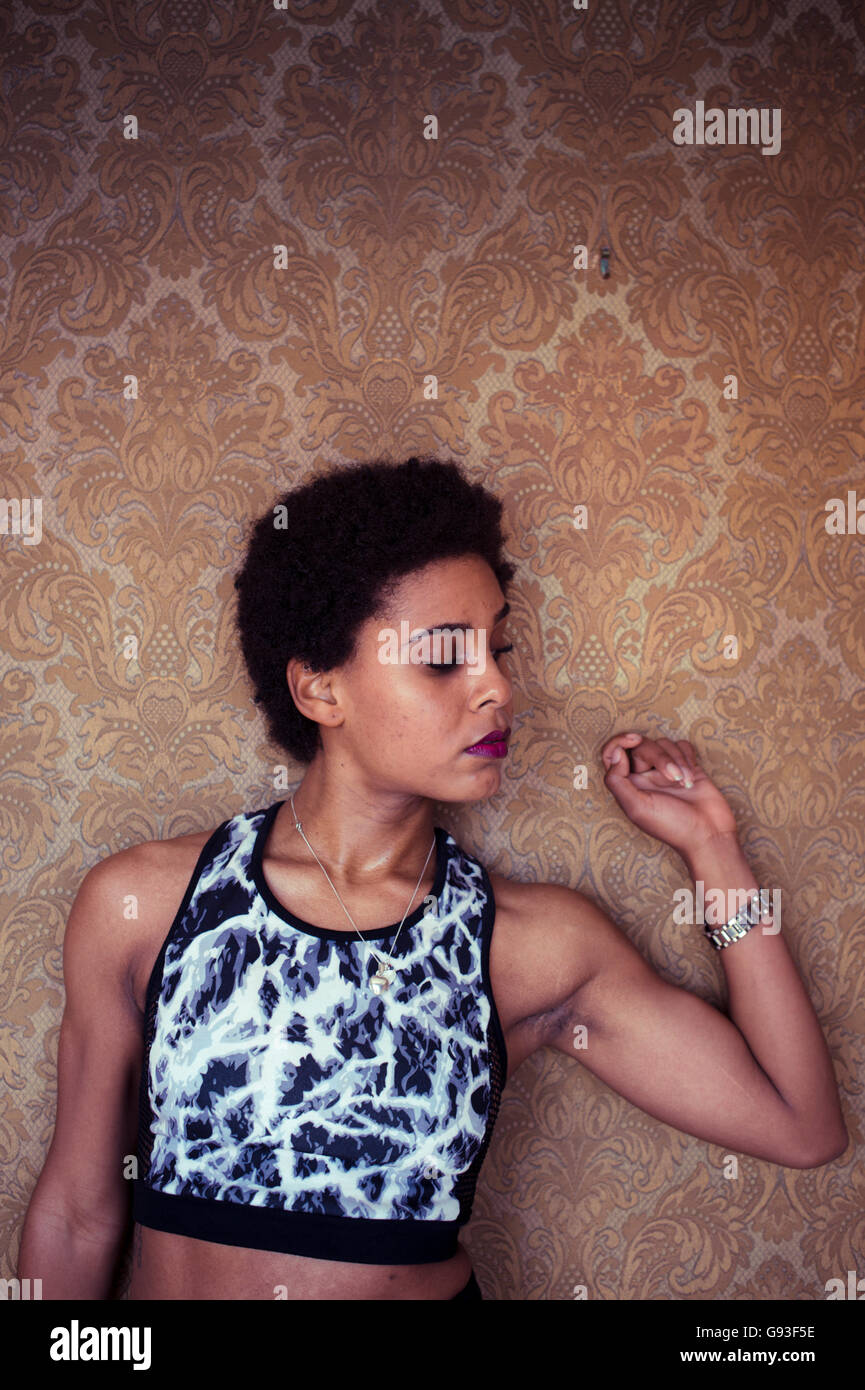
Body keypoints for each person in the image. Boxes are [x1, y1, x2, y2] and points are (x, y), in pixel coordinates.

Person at [17, 455, 847, 1301]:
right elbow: (79, 1212)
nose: (498, 688)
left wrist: (713, 849)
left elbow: (799, 1123)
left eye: (499, 648)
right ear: (320, 687)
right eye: (445, 659)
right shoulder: (145, 904)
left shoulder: (530, 945)